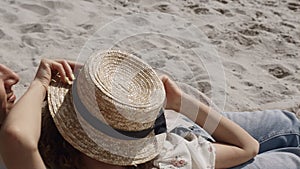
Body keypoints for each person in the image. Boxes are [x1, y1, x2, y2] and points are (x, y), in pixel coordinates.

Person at [0, 51, 298, 169]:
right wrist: (181, 102)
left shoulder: (52, 143)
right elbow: (248, 147)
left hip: (154, 134)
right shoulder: (170, 163)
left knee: (286, 124)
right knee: (290, 154)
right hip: (181, 148)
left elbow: (18, 137)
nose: (11, 76)